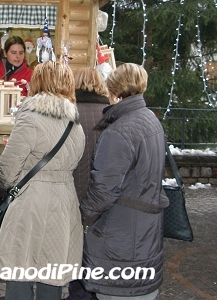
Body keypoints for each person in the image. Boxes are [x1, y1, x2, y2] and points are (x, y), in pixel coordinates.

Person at [0, 61, 85, 300]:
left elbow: (10, 166)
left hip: (32, 200)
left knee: (20, 268)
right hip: (64, 201)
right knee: (51, 273)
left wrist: (6, 188)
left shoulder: (31, 116)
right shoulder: (76, 123)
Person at [80, 63, 168, 300]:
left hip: (121, 236)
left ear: (115, 93)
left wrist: (82, 216)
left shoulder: (119, 131)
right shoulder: (150, 120)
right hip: (144, 231)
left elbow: (103, 192)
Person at [67, 67, 110, 300]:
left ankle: (78, 292)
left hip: (73, 190)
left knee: (76, 249)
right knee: (98, 248)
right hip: (103, 193)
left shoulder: (70, 114)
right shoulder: (111, 115)